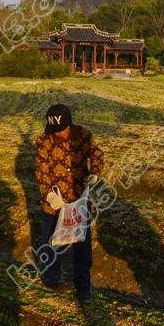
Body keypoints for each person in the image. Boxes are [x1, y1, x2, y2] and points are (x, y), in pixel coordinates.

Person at [34, 104, 103, 300]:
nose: (57, 134)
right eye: (53, 130)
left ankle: (83, 288)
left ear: (68, 126)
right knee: (50, 242)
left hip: (78, 201)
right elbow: (42, 171)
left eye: (61, 130)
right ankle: (51, 280)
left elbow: (97, 154)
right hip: (54, 203)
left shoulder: (83, 135)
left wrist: (95, 174)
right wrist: (49, 195)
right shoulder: (43, 141)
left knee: (82, 246)